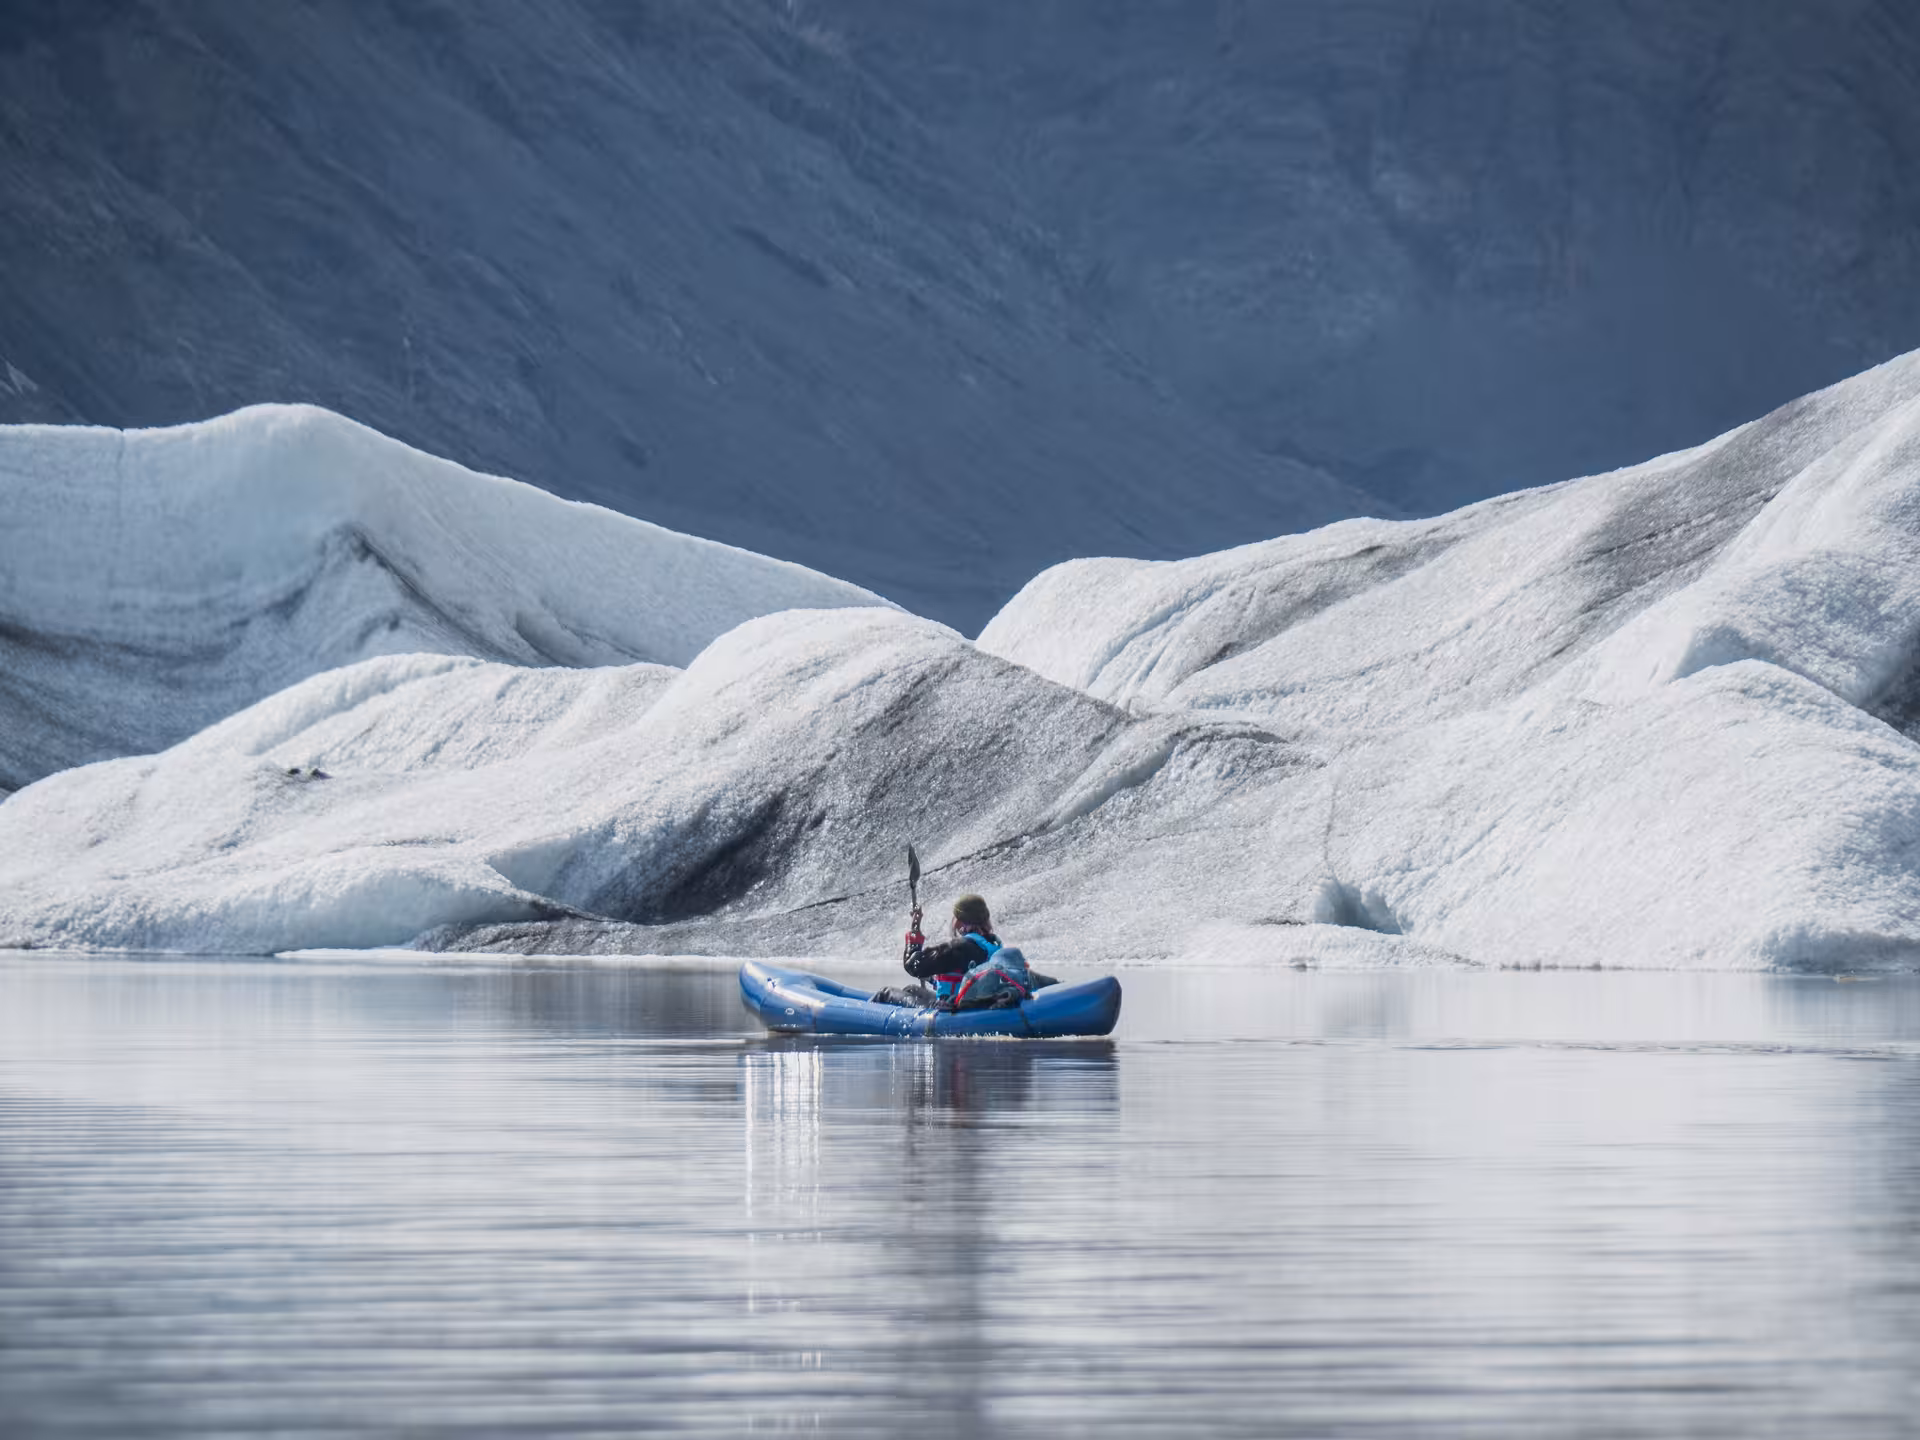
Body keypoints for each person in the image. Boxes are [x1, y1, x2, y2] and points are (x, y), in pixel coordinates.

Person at [873, 894, 1049, 1010]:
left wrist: (914, 930)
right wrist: (934, 978)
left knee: (885, 993)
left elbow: (914, 966)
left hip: (949, 1008)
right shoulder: (992, 943)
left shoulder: (958, 948)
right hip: (971, 1002)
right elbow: (961, 975)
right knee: (911, 989)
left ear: (959, 921)